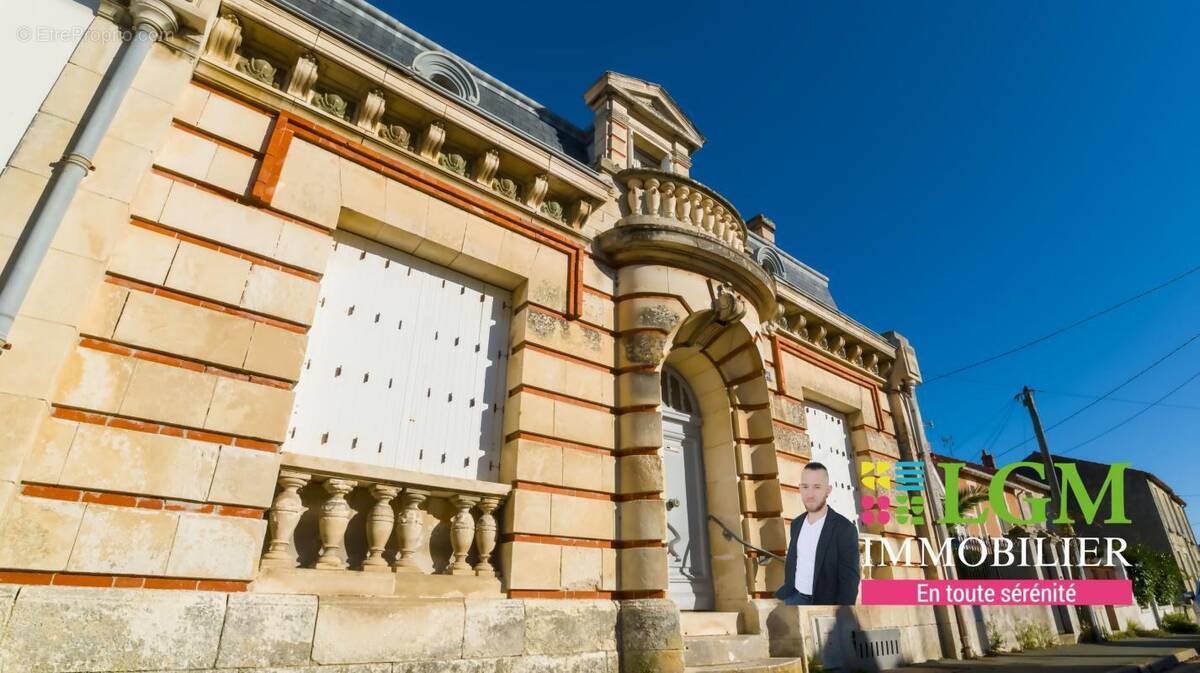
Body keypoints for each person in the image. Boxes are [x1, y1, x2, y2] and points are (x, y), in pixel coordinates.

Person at [774, 461, 861, 606]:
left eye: (817, 487)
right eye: (805, 487)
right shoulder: (796, 524)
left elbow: (849, 582)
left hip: (823, 604)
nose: (810, 494)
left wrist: (840, 614)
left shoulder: (845, 529)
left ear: (828, 490)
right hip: (793, 599)